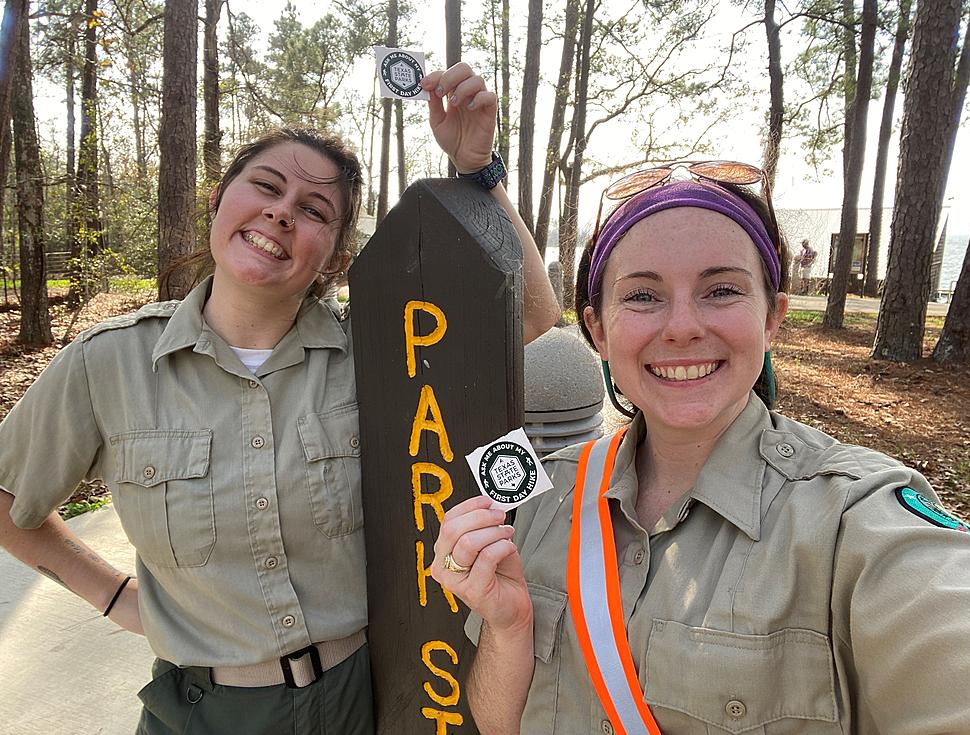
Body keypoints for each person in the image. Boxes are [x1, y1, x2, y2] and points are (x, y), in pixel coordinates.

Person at [0, 63, 558, 734]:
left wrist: (479, 172)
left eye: (314, 210)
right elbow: (8, 499)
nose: (281, 212)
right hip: (202, 713)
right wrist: (113, 592)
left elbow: (529, 311)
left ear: (333, 256)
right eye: (265, 186)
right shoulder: (108, 361)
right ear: (218, 201)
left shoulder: (377, 350)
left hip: (361, 699)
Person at [431, 162, 970, 734]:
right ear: (598, 330)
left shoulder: (850, 521)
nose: (682, 327)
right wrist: (510, 626)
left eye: (721, 290)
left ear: (772, 318)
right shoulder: (547, 495)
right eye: (643, 295)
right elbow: (500, 725)